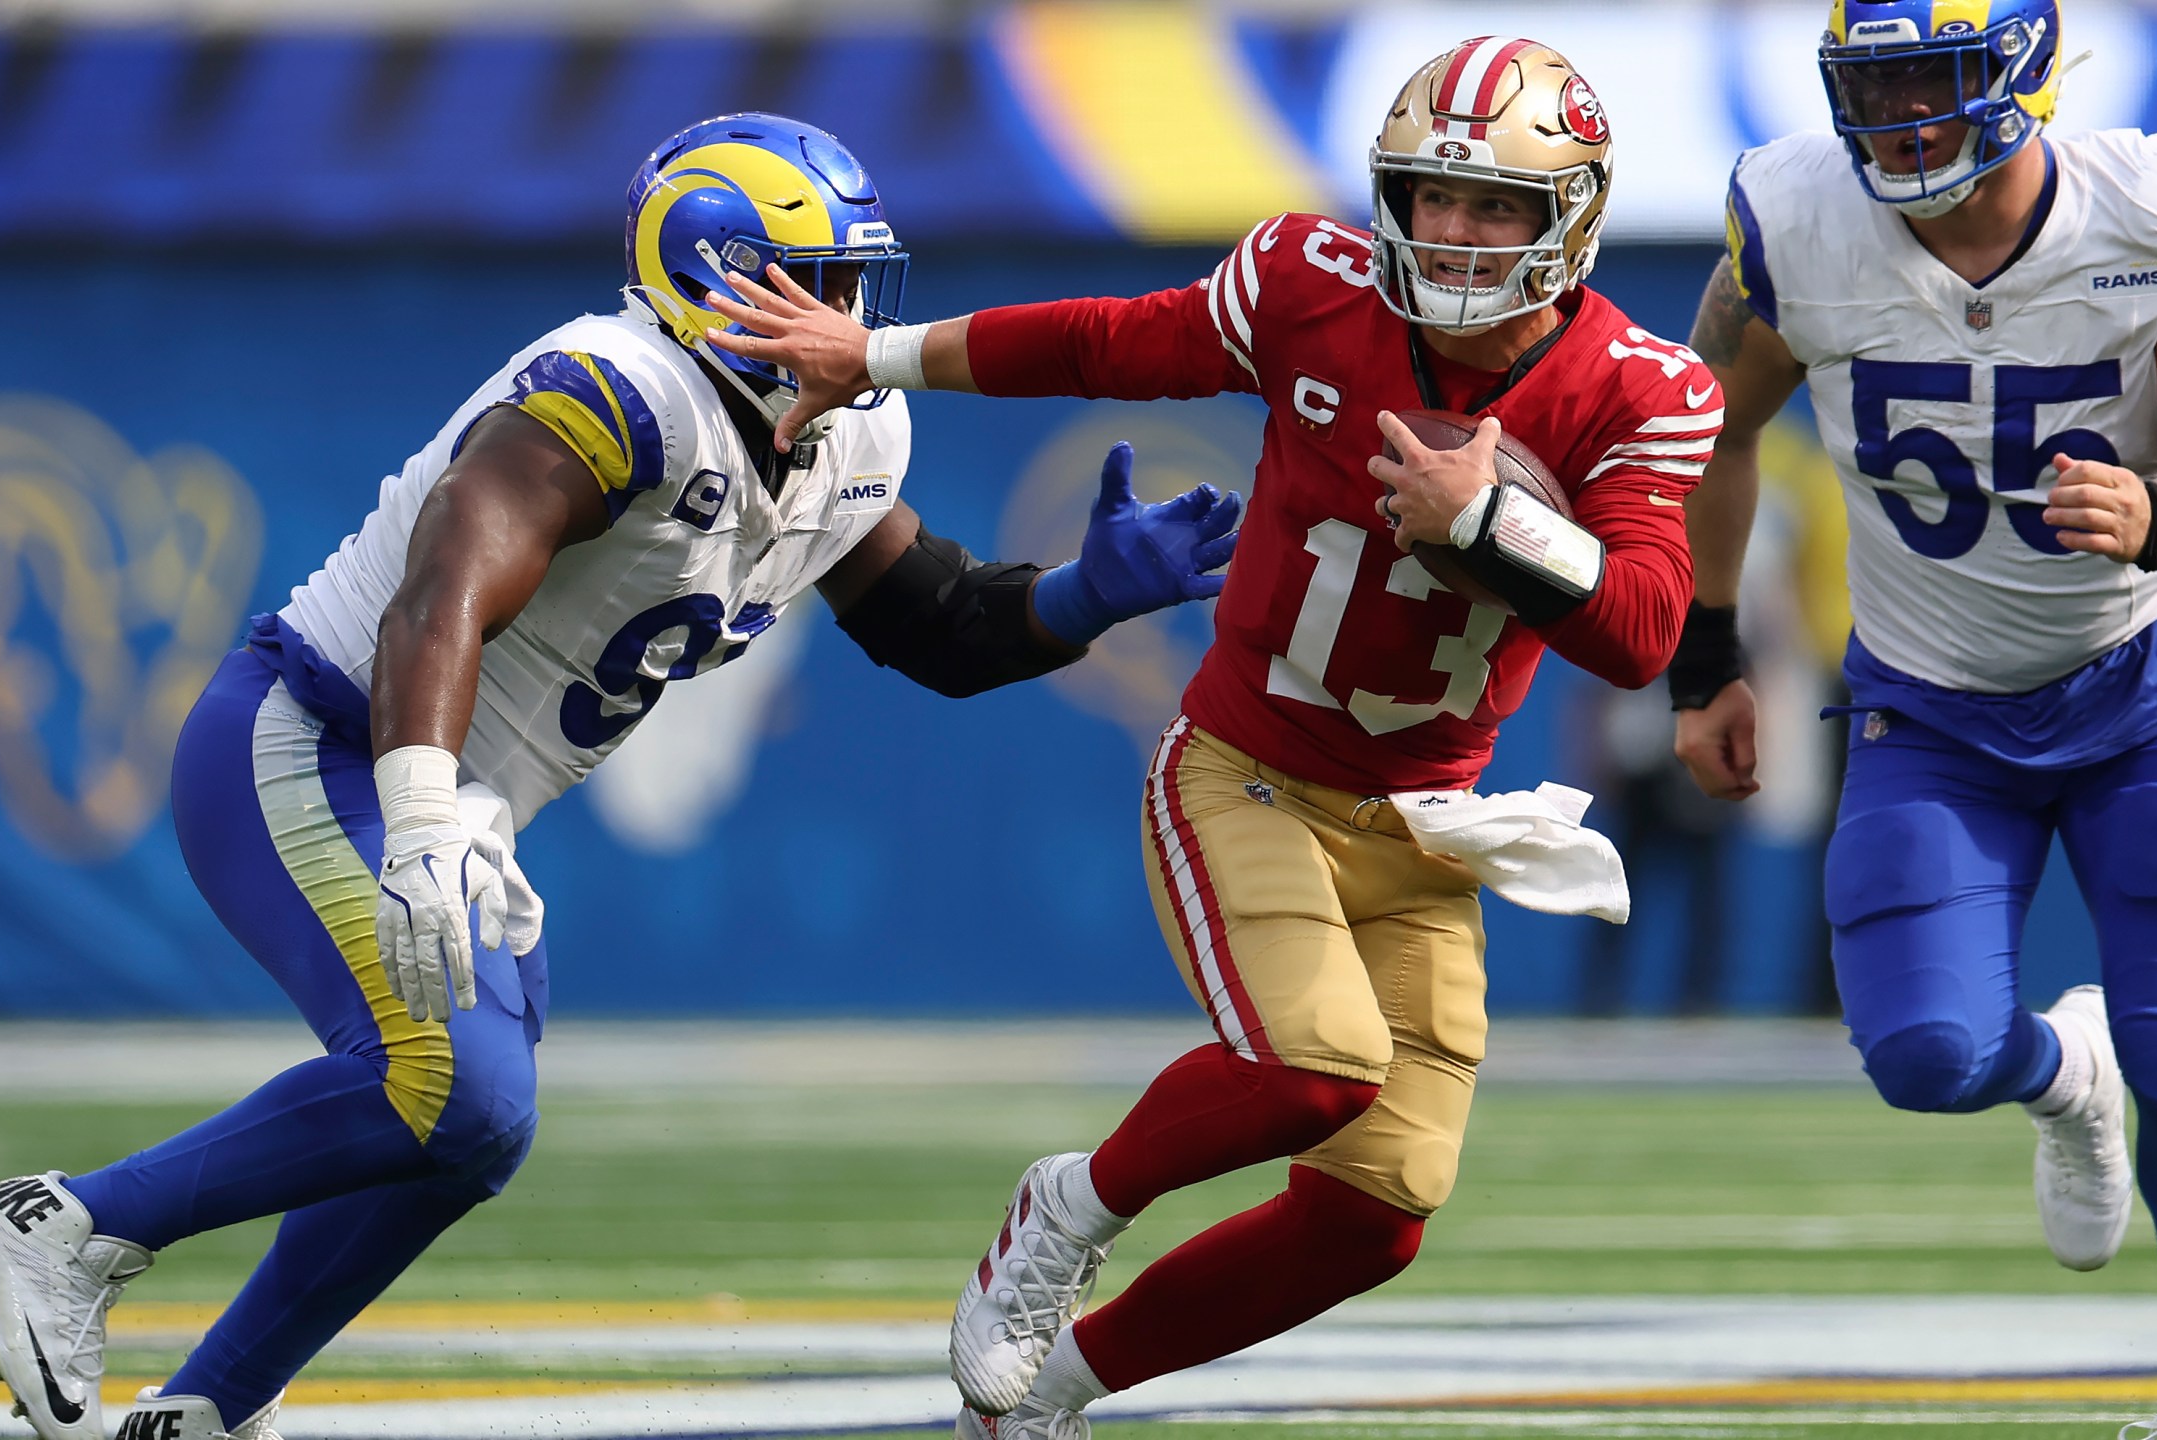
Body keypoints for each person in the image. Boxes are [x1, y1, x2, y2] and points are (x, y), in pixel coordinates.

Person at [0, 113, 1240, 1440]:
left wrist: (1092, 596)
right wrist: (416, 811)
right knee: (451, 1087)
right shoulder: (623, 387)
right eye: (826, 280)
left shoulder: (849, 443)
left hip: (451, 789)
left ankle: (213, 1404)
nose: (859, 316)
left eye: (862, 282)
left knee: (473, 1134)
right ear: (719, 277)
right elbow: (440, 588)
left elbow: (943, 625)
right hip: (317, 741)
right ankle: (75, 1223)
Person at [706, 37, 1710, 1439]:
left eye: (1498, 208)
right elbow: (1114, 337)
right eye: (1433, 197)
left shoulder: (1646, 387)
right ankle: (1070, 1205)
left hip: (1424, 829)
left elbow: (1648, 629)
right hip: (1252, 775)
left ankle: (1046, 1396)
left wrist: (1492, 522)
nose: (1458, 234)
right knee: (1312, 1067)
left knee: (1379, 1215)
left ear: (1574, 219)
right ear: (1390, 196)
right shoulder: (1312, 285)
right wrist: (869, 353)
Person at [1667, 2, 2157, 1434]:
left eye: (1934, 79)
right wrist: (1705, 653)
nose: (1899, 117)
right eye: (1872, 83)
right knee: (1925, 1055)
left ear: (2025, 68)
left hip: (2148, 684)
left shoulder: (2143, 210)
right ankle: (2057, 1070)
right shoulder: (1795, 221)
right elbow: (1709, 430)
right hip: (1934, 705)